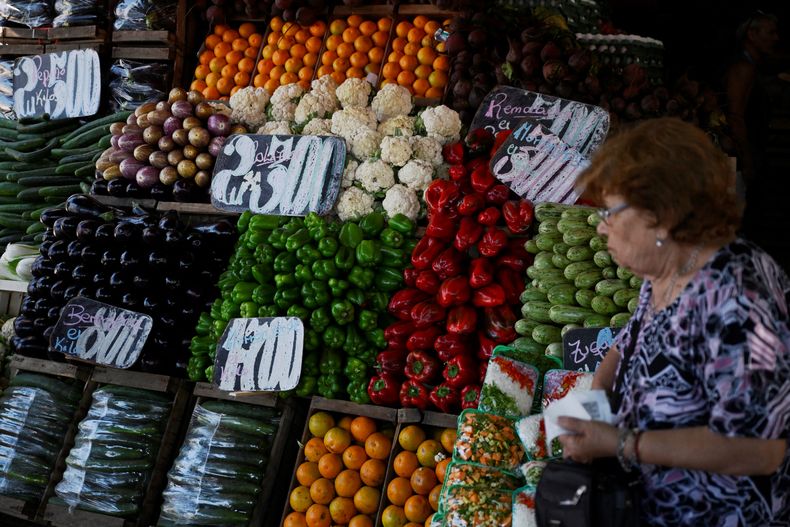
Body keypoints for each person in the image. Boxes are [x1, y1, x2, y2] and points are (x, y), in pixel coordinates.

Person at [557, 118, 790, 526]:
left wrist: (622, 443)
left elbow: (757, 450)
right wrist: (597, 396)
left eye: (611, 212)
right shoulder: (672, 264)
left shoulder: (738, 302)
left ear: (662, 215)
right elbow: (633, 337)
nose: (601, 225)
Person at [725, 11, 779, 191]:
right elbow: (735, 116)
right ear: (752, 34)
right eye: (770, 32)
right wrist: (748, 160)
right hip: (738, 159)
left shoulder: (753, 68)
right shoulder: (743, 68)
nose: (776, 38)